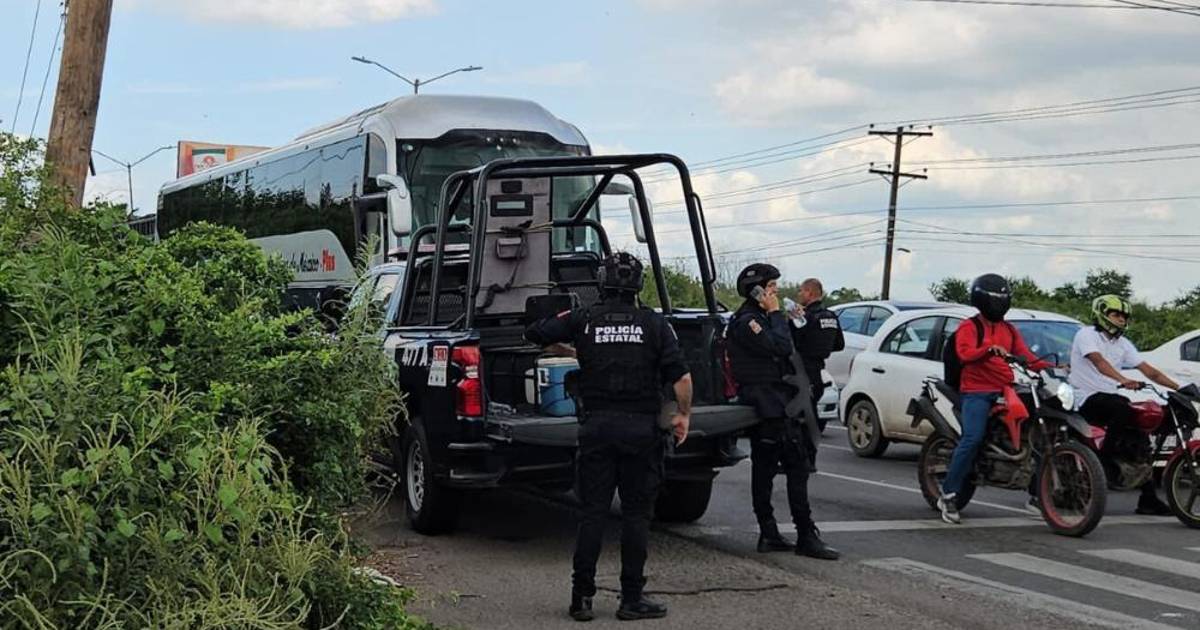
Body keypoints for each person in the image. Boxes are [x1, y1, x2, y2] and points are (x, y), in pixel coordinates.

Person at [525, 252, 692, 622]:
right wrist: (683, 415)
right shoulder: (654, 324)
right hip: (641, 431)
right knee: (636, 516)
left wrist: (572, 350)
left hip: (596, 429)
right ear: (637, 286)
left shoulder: (584, 318)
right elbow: (681, 378)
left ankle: (581, 598)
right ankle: (631, 599)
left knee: (592, 514)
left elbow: (536, 332)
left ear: (602, 282)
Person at [726, 263, 839, 560]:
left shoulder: (764, 317)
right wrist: (776, 315)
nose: (776, 292)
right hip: (765, 400)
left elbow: (793, 344)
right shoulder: (748, 321)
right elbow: (778, 346)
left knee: (781, 466)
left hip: (780, 399)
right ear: (757, 290)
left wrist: (790, 319)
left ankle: (783, 532)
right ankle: (792, 533)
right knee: (784, 466)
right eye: (772, 287)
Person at [938, 273, 1051, 525]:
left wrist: (1051, 367)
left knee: (1040, 434)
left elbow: (1025, 357)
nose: (1000, 303)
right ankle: (948, 494)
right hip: (976, 390)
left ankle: (1037, 495)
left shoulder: (1009, 329)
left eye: (1004, 298)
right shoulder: (970, 326)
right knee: (972, 437)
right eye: (996, 298)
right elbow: (964, 354)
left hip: (1006, 388)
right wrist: (988, 349)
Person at [1067, 294, 1179, 515]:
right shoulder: (1086, 335)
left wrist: (1180, 388)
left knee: (1142, 439)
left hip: (1109, 400)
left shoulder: (1123, 344)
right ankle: (1105, 459)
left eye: (1123, 316)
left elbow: (1150, 371)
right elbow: (1099, 362)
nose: (1120, 319)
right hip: (1085, 398)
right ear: (1102, 313)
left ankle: (1147, 500)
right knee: (1121, 407)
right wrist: (1123, 380)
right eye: (1115, 314)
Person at [789, 278, 845, 432]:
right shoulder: (831, 316)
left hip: (802, 371)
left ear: (809, 292)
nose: (799, 294)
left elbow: (792, 342)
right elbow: (839, 344)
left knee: (800, 420)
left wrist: (791, 319)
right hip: (819, 372)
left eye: (801, 290)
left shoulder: (805, 317)